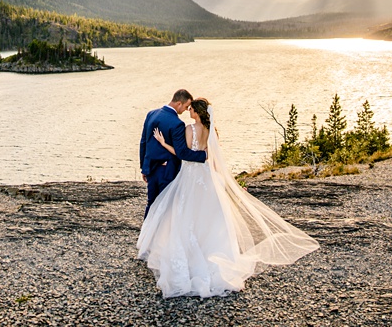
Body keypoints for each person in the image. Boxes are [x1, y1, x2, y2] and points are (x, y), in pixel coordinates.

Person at [137, 98, 319, 298]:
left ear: (197, 112)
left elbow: (183, 154)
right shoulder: (212, 131)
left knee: (186, 215)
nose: (188, 112)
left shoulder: (190, 129)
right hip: (207, 177)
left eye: (191, 109)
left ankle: (188, 262)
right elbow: (213, 157)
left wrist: (163, 143)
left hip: (191, 176)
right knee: (210, 218)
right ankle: (215, 258)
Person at [139, 89, 208, 218]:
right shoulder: (177, 124)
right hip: (167, 171)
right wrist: (204, 155)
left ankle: (147, 236)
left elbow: (143, 142)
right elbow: (182, 153)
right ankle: (162, 236)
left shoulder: (151, 114)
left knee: (151, 204)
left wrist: (144, 166)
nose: (186, 110)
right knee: (166, 205)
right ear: (179, 104)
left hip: (151, 168)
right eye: (186, 106)